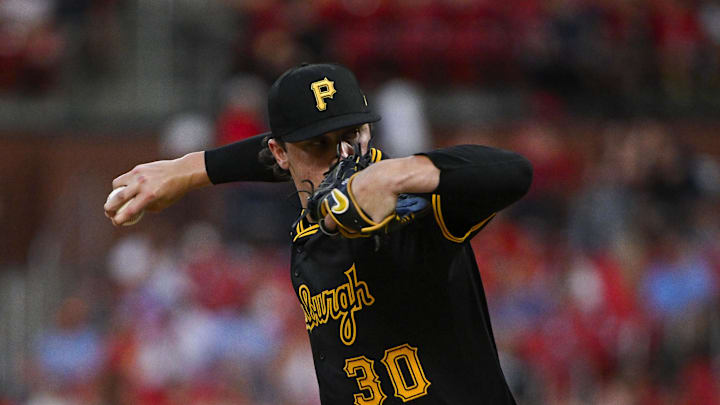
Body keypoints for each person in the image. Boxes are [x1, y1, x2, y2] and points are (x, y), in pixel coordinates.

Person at [104, 63, 533, 404]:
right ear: (280, 155)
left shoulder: (414, 207)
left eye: (350, 137)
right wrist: (189, 169)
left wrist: (402, 171)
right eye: (317, 146)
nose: (340, 158)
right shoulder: (308, 214)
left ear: (367, 133)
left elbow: (513, 172)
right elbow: (296, 166)